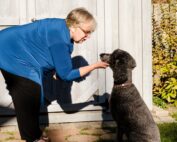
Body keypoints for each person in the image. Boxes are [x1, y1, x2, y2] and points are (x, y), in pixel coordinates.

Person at [0, 7, 109, 142]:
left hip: (10, 45)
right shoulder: (60, 40)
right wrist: (95, 66)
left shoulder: (63, 28)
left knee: (30, 95)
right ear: (74, 26)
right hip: (10, 51)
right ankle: (33, 138)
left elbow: (49, 54)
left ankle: (35, 134)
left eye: (90, 32)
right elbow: (67, 75)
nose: (88, 36)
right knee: (29, 94)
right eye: (86, 32)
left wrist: (56, 70)